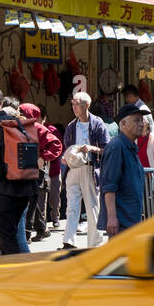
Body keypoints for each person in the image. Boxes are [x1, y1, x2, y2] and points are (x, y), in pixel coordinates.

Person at [0, 92, 39, 256]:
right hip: (26, 188)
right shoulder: (20, 124)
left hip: (4, 191)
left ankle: (18, 275)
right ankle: (9, 273)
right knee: (11, 235)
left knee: (8, 238)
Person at [60, 91, 107, 250]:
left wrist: (92, 148)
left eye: (77, 103)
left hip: (89, 168)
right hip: (73, 168)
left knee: (92, 206)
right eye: (72, 103)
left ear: (87, 105)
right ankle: (69, 241)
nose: (73, 107)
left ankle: (95, 243)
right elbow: (67, 145)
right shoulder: (72, 126)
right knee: (71, 206)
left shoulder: (98, 123)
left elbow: (106, 148)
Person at [99, 102, 150, 238]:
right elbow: (109, 186)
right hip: (121, 223)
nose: (141, 124)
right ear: (123, 124)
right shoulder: (117, 147)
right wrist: (112, 217)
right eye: (136, 120)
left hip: (131, 220)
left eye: (142, 120)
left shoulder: (130, 146)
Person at [19, 103, 62, 243]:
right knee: (30, 198)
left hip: (36, 170)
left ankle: (26, 232)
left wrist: (43, 157)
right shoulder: (18, 127)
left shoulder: (38, 128)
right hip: (23, 168)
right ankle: (41, 228)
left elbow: (56, 145)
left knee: (29, 199)